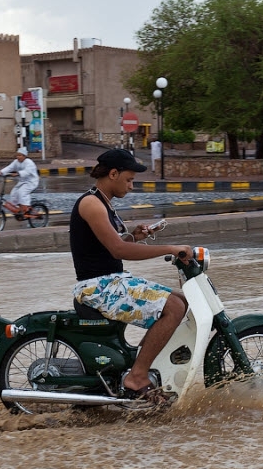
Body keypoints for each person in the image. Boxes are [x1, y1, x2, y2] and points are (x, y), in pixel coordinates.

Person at [70, 149, 193, 403]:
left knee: (181, 300)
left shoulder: (103, 203)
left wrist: (135, 236)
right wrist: (171, 249)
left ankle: (141, 366)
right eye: (128, 179)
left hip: (111, 280)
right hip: (98, 286)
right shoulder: (92, 204)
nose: (131, 185)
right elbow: (119, 249)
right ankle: (136, 377)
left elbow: (114, 244)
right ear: (112, 174)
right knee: (172, 307)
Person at [0, 146, 39, 218]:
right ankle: (18, 207)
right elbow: (9, 167)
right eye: (17, 155)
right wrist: (1, 172)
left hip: (31, 182)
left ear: (24, 156)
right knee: (14, 192)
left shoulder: (29, 162)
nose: (18, 157)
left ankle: (26, 208)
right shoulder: (16, 162)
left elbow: (27, 172)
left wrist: (18, 173)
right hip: (23, 181)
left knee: (22, 192)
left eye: (20, 155)